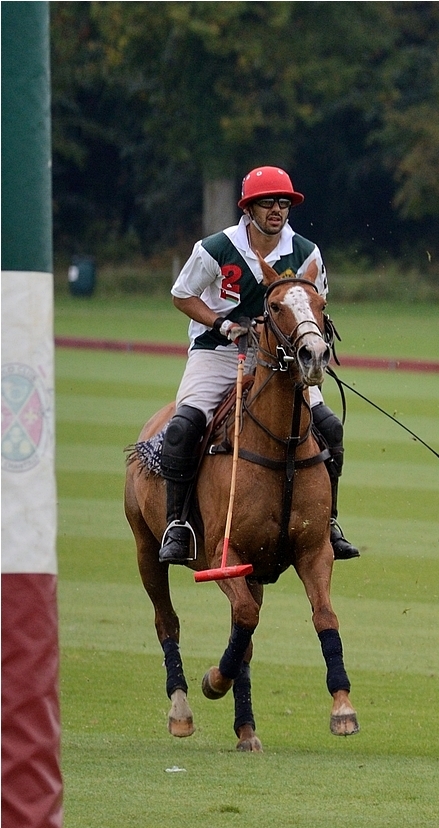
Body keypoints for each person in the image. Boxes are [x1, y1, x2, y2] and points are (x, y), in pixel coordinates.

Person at [160, 166, 357, 564]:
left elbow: (315, 305)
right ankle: (177, 524)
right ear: (248, 209)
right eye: (267, 203)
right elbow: (182, 295)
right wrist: (221, 323)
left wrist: (312, 345)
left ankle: (329, 522)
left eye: (283, 203)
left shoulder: (306, 253)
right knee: (183, 427)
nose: (276, 210)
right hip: (218, 351)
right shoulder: (216, 248)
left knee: (329, 428)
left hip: (281, 358)